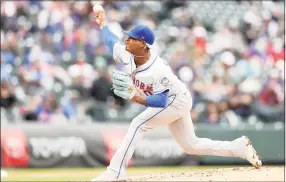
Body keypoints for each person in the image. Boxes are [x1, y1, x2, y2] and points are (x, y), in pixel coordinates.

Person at [91, 7, 262, 181]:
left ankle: (115, 171)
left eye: (132, 38)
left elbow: (160, 100)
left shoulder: (158, 69)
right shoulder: (127, 55)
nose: (127, 39)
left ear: (143, 44)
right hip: (173, 101)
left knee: (137, 124)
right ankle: (238, 148)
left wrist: (134, 96)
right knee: (190, 145)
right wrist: (103, 24)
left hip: (176, 101)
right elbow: (111, 41)